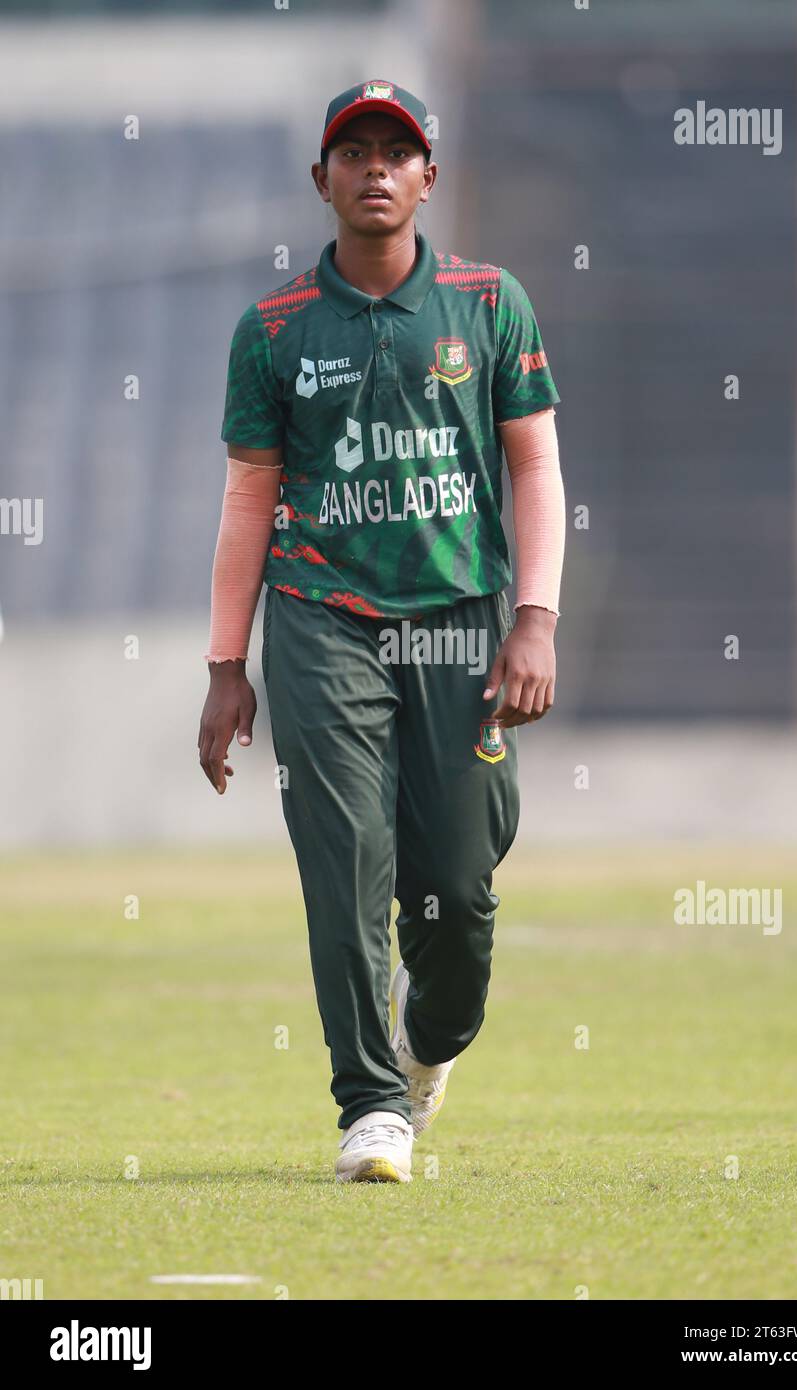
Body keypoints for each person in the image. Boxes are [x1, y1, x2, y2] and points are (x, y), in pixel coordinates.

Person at [198, 79, 566, 1183]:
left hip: (456, 620)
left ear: (426, 179)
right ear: (321, 181)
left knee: (457, 882)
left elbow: (534, 462)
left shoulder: (488, 303)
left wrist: (534, 617)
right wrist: (226, 664)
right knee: (345, 857)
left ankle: (429, 1040)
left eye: (393, 153)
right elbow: (247, 499)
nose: (373, 169)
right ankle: (368, 1104)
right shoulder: (272, 330)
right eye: (351, 153)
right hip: (321, 622)